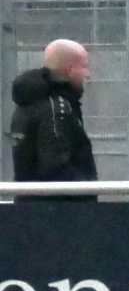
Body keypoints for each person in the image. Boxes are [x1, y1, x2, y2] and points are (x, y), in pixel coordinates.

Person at [9, 39, 97, 200]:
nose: (88, 74)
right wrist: (86, 192)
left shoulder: (28, 103)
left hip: (29, 206)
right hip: (58, 209)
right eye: (84, 66)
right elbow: (55, 167)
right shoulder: (56, 108)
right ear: (70, 70)